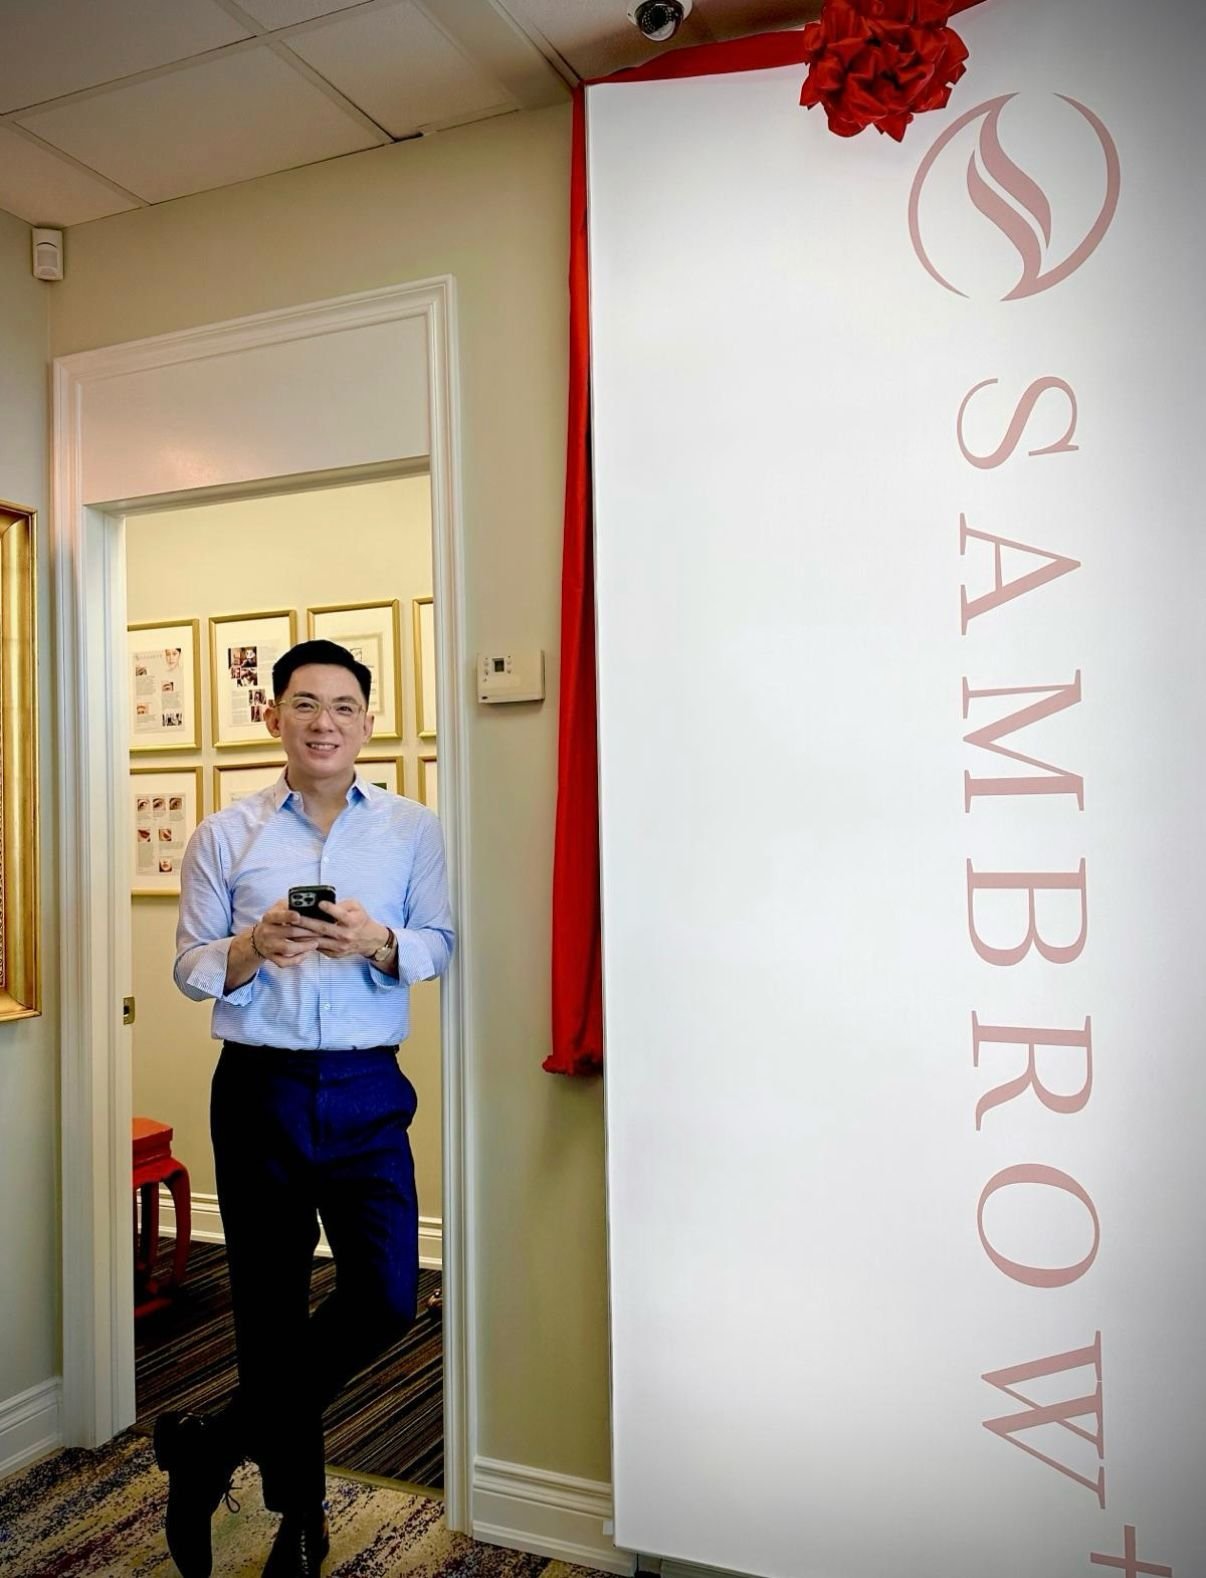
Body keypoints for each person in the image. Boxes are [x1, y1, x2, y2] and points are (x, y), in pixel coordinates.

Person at [155, 639, 454, 1578]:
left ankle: (211, 1445)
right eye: (304, 704)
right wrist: (253, 944)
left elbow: (441, 941)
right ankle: (301, 1516)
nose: (324, 722)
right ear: (273, 717)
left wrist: (376, 940)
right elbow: (192, 968)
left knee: (385, 1299)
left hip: (369, 1088)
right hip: (260, 1091)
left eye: (343, 706)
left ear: (368, 722)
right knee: (269, 1312)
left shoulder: (414, 831)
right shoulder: (225, 834)